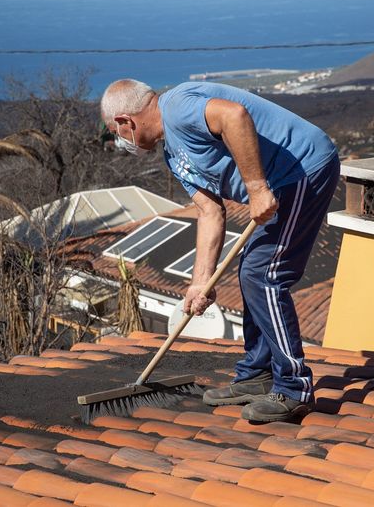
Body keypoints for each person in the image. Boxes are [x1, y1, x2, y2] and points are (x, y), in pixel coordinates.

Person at [100, 79, 339, 422]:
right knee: (249, 271)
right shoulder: (173, 155)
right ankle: (257, 375)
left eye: (116, 133)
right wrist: (200, 282)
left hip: (303, 168)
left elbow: (234, 115)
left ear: (126, 122)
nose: (120, 141)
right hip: (283, 182)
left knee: (264, 273)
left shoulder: (178, 106)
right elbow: (209, 212)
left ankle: (294, 388)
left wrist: (256, 188)